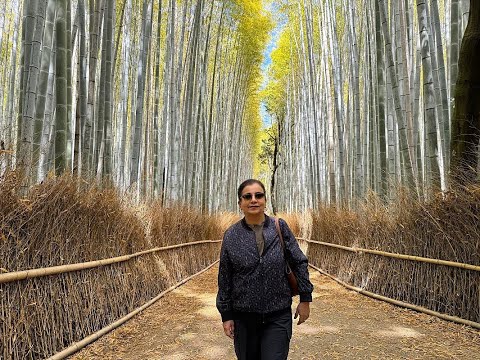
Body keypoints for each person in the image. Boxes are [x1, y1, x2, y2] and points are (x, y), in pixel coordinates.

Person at [216, 179, 314, 360]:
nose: (253, 200)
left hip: (278, 315)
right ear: (240, 204)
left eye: (258, 195)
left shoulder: (279, 227)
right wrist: (226, 315)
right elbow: (225, 277)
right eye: (248, 196)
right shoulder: (231, 235)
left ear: (265, 201)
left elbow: (299, 261)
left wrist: (305, 298)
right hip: (244, 318)